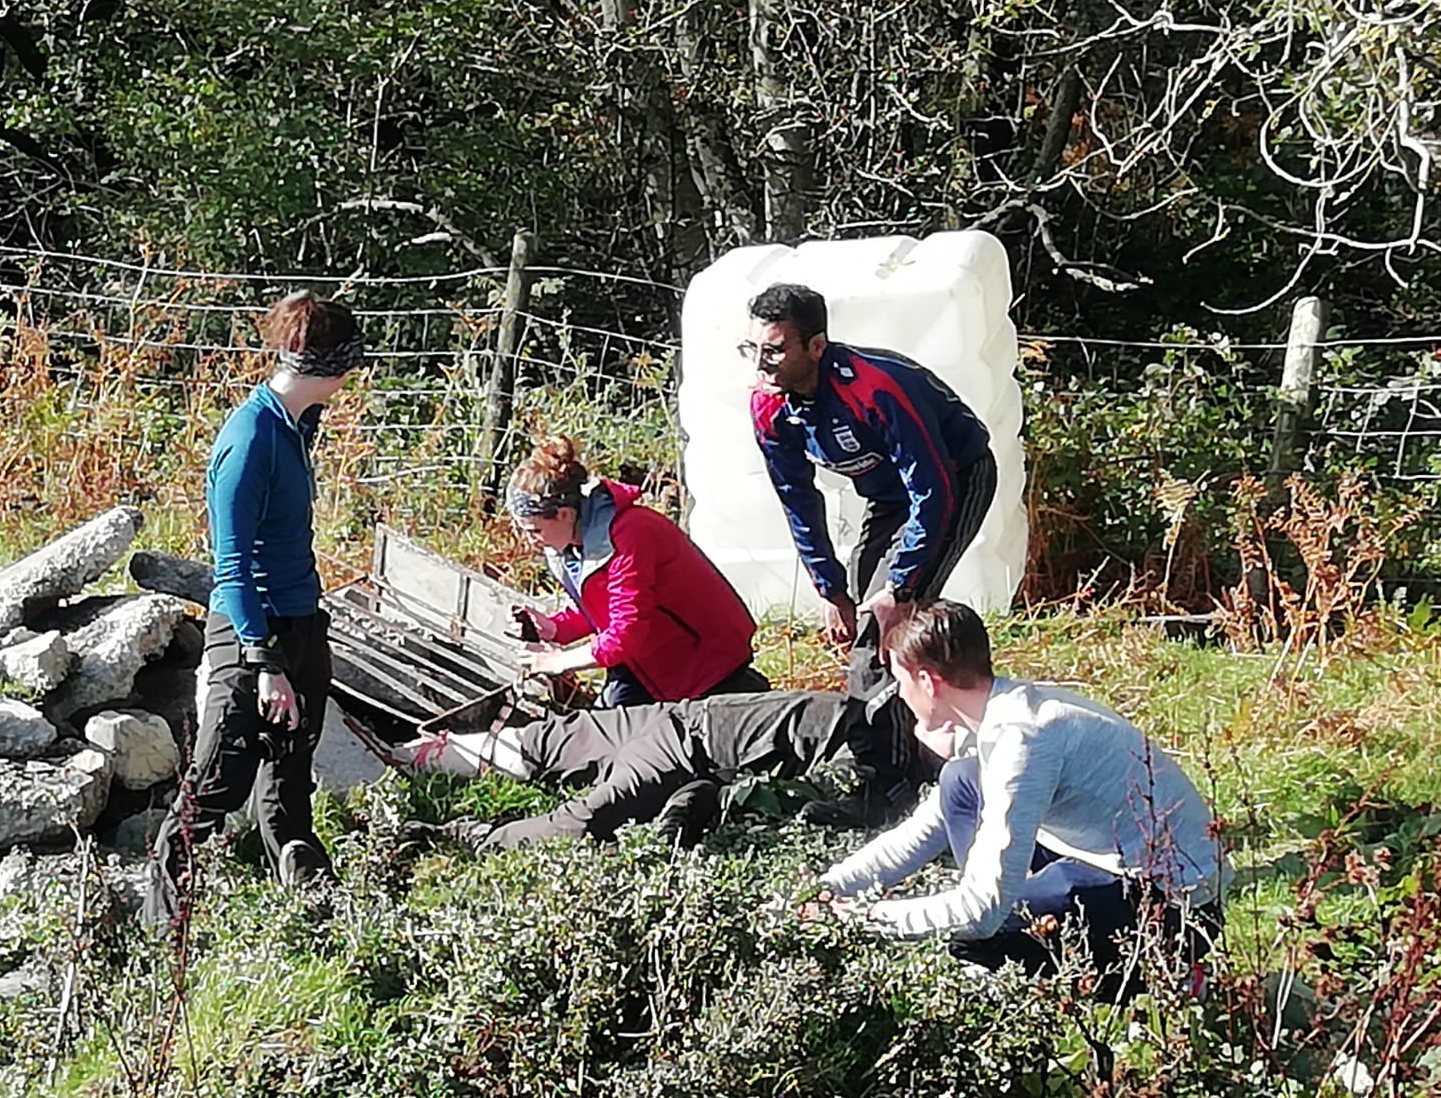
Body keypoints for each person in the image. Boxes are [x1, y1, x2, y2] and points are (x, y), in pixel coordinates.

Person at [811, 600, 1227, 992]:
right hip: (1112, 863)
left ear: (927, 681)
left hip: (1178, 910)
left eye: (901, 681)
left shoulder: (1022, 741)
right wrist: (828, 888)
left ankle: (1163, 978)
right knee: (961, 781)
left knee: (969, 936)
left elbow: (981, 911)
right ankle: (1028, 916)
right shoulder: (1002, 710)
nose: (900, 696)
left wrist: (866, 919)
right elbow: (922, 831)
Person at [144, 291, 367, 929]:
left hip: (301, 623)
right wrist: (264, 661)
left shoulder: (296, 425)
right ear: (333, 366)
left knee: (290, 783)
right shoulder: (249, 439)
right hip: (252, 637)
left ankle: (313, 916)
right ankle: (164, 934)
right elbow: (231, 563)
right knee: (215, 787)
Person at [745, 284, 998, 701]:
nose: (760, 365)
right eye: (749, 348)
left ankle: (888, 739)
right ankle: (914, 707)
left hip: (956, 477)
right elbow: (798, 502)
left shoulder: (875, 388)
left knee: (885, 617)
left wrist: (900, 588)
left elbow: (932, 491)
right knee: (862, 597)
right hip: (891, 496)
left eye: (773, 350)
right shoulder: (768, 406)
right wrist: (830, 589)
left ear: (816, 346)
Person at [391, 686, 919, 850]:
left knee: (568, 780)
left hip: (684, 727)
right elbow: (805, 803)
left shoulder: (876, 718)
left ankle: (444, 812)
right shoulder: (878, 751)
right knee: (573, 795)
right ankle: (456, 819)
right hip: (683, 739)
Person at [506, 435, 768, 707]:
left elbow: (627, 630)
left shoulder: (631, 534)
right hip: (646, 664)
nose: (530, 541)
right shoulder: (572, 543)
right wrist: (555, 628)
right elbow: (602, 609)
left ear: (564, 514)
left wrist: (560, 661)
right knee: (603, 737)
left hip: (705, 665)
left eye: (534, 530)